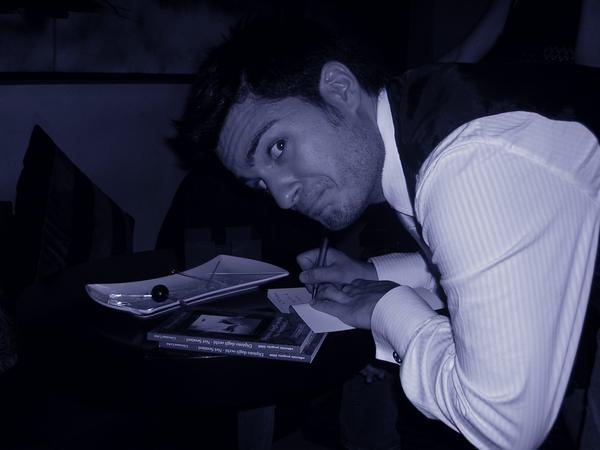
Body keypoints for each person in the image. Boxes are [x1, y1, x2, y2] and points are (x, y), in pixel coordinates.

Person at [170, 14, 600, 450]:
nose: (282, 197)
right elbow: (498, 253)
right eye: (260, 183)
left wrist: (386, 308)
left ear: (340, 89)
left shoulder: (466, 163)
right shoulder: (413, 114)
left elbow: (505, 426)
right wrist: (374, 274)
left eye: (278, 147)